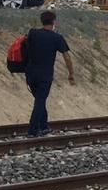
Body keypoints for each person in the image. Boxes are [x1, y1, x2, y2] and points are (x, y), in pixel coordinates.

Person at [22, 9, 74, 137]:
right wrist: (71, 73)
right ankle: (32, 131)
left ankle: (44, 126)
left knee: (40, 100)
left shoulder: (33, 33)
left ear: (42, 21)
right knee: (40, 101)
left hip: (30, 74)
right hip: (45, 75)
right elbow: (67, 57)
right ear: (54, 21)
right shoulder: (57, 37)